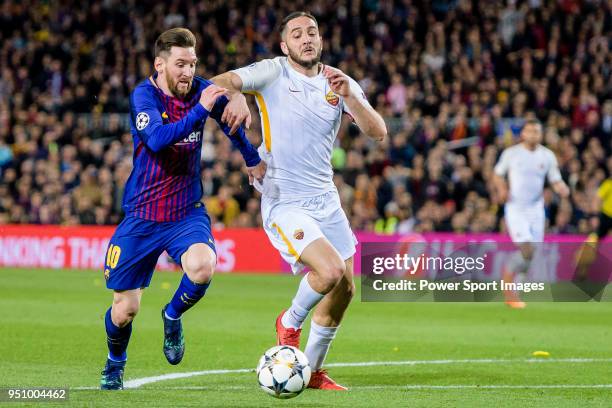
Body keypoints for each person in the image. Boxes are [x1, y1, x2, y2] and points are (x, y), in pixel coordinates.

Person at [212, 11, 387, 390]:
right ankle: (289, 322)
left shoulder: (338, 81)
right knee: (328, 271)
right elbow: (217, 82)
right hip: (285, 198)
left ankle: (312, 371)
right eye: (297, 34)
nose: (306, 38)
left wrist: (350, 98)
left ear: (321, 41)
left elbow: (378, 132)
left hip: (326, 199)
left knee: (345, 289)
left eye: (312, 32)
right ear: (284, 45)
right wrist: (238, 93)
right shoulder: (273, 72)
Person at [100, 28, 266, 390]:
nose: (188, 71)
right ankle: (115, 361)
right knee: (124, 310)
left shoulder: (201, 90)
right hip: (142, 214)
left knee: (203, 266)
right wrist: (203, 109)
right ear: (160, 64)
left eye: (192, 63)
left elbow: (231, 122)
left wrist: (252, 159)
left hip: (185, 212)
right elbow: (157, 140)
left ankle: (172, 316)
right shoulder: (143, 95)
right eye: (180, 64)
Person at [492, 119, 569, 308]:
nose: (533, 135)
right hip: (516, 207)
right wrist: (501, 189)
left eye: (536, 131)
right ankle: (508, 280)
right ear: (523, 134)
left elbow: (554, 178)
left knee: (532, 253)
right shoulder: (512, 154)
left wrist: (561, 187)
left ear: (540, 134)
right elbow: (497, 174)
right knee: (526, 249)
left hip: (536, 208)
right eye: (530, 131)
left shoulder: (547, 155)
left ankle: (513, 292)